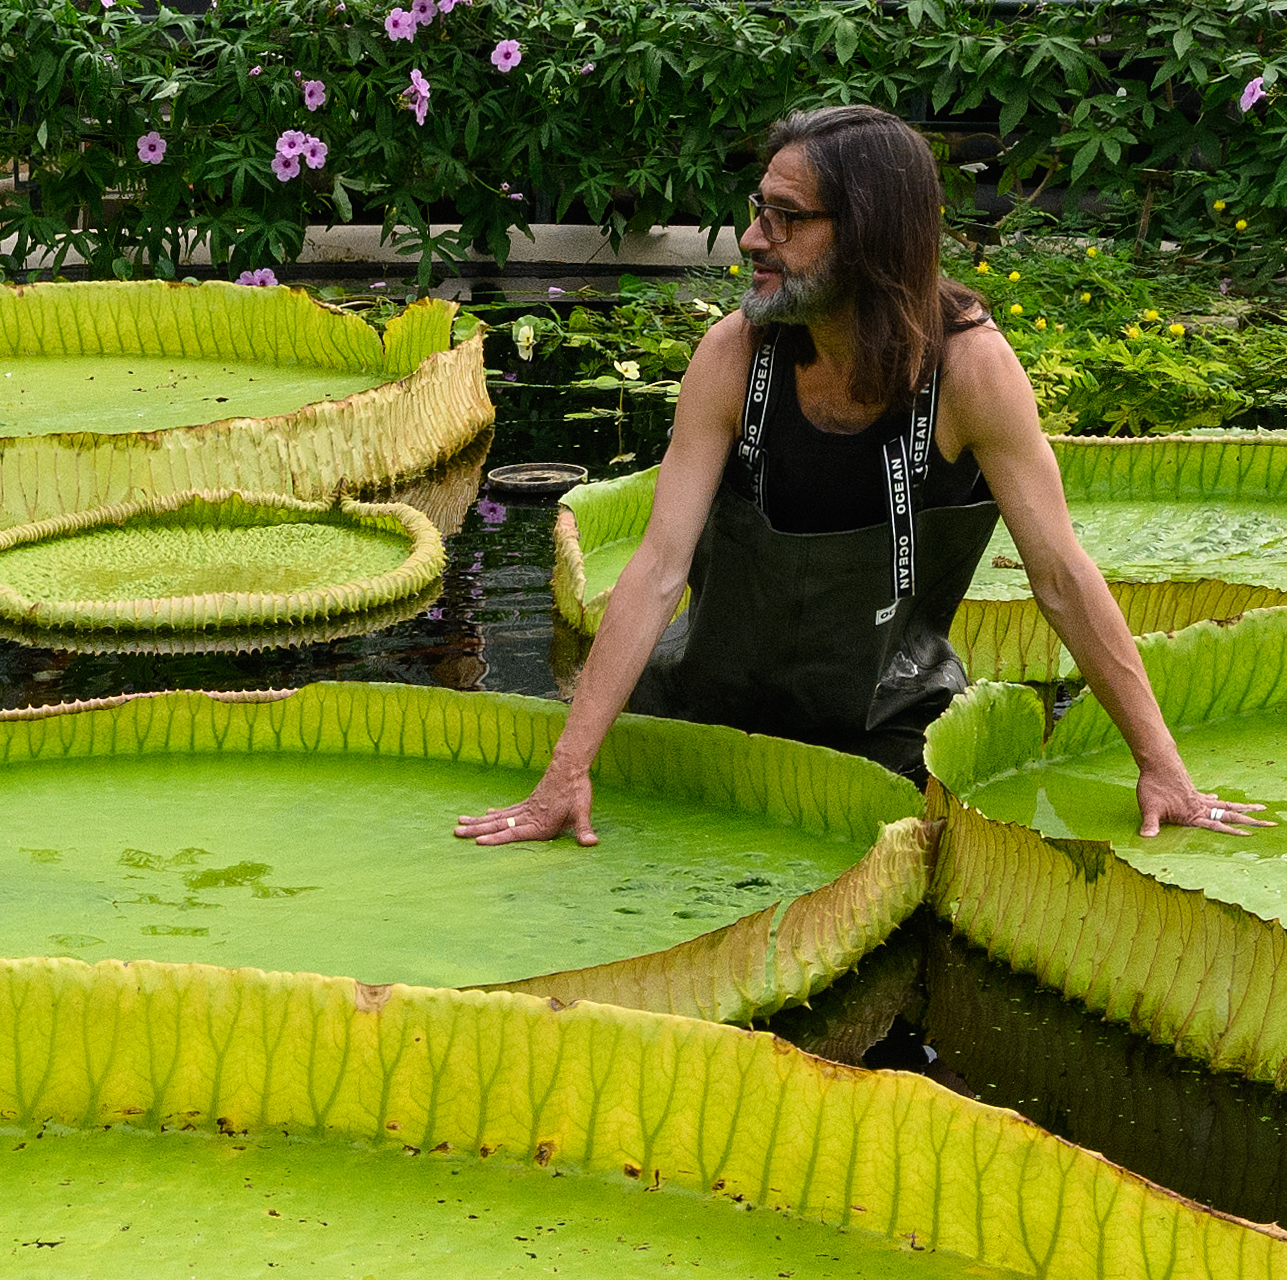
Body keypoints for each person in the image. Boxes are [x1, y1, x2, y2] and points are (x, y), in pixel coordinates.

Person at [473, 106, 1244, 850]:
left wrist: (1163, 769)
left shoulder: (970, 373)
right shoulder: (734, 356)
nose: (751, 239)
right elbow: (656, 570)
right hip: (699, 720)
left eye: (785, 218)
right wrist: (564, 774)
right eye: (757, 210)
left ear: (871, 233)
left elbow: (1061, 578)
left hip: (886, 734)